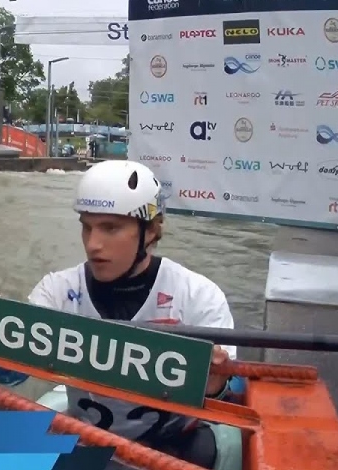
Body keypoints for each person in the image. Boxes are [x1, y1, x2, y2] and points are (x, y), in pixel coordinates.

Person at [26, 160, 241, 469]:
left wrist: (215, 382)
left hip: (175, 444)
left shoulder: (198, 295)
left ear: (151, 231)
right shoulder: (56, 291)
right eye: (87, 226)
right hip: (87, 439)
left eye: (110, 228)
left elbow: (224, 395)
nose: (92, 244)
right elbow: (7, 375)